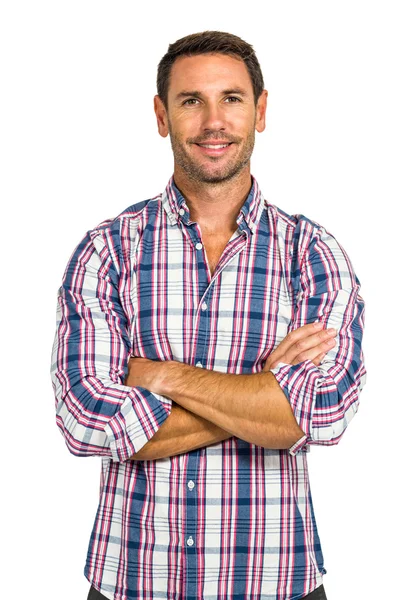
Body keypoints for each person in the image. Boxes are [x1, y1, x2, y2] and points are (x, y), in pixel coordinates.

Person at [50, 30, 366, 600]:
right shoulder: (108, 250)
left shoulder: (312, 253)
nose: (213, 121)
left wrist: (159, 377)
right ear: (161, 115)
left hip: (276, 582)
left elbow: (322, 413)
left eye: (232, 99)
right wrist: (264, 398)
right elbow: (85, 418)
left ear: (261, 110)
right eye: (192, 101)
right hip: (134, 581)